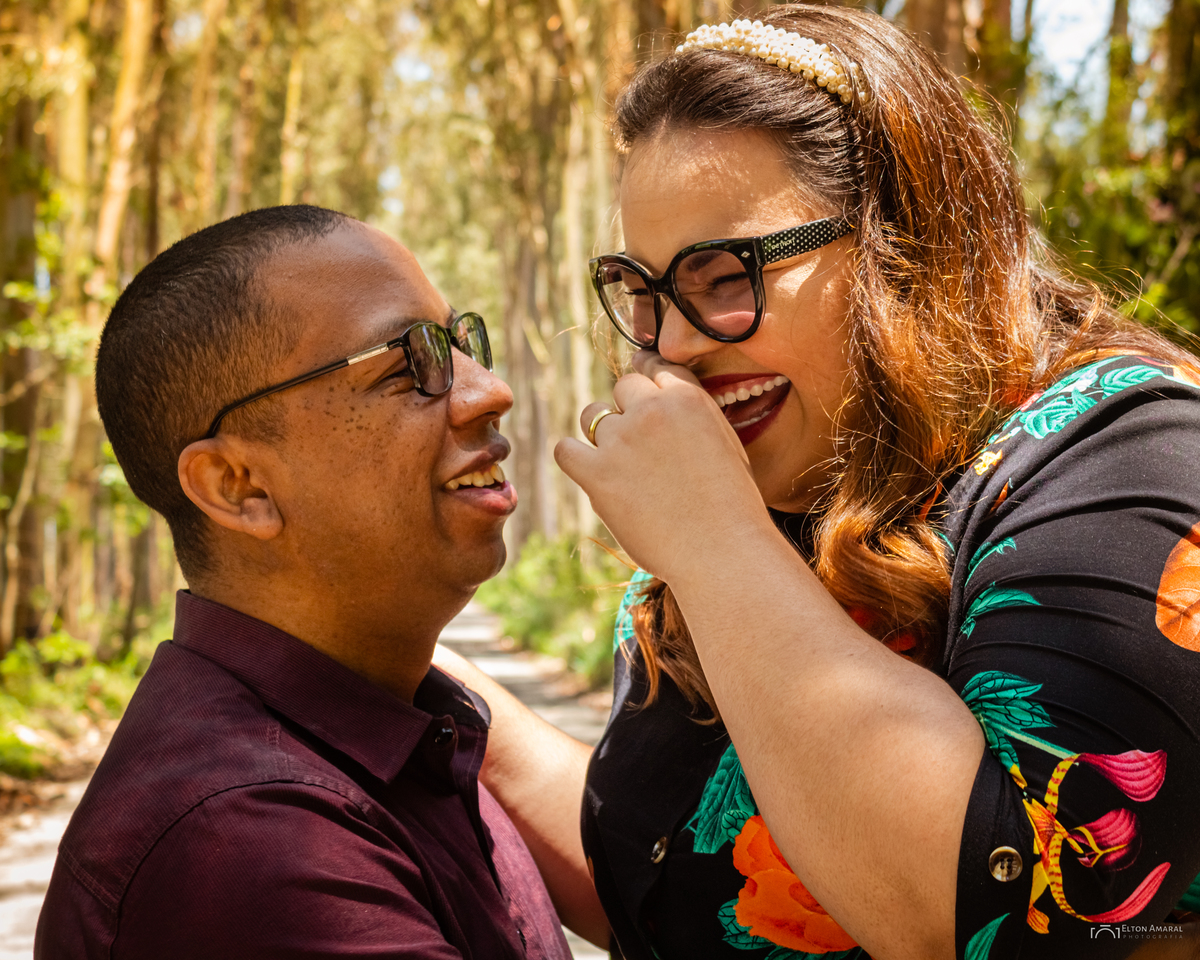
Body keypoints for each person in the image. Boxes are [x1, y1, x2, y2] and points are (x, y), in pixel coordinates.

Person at [437, 6, 1200, 959]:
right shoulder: (762, 492)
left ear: (905, 247)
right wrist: (425, 685)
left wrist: (713, 546)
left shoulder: (1131, 458)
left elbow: (1001, 916)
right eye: (643, 290)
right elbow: (675, 875)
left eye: (725, 276)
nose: (671, 344)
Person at [36, 205, 575, 960]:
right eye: (407, 365)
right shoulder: (246, 840)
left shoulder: (393, 711)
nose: (490, 390)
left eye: (460, 343)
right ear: (239, 485)